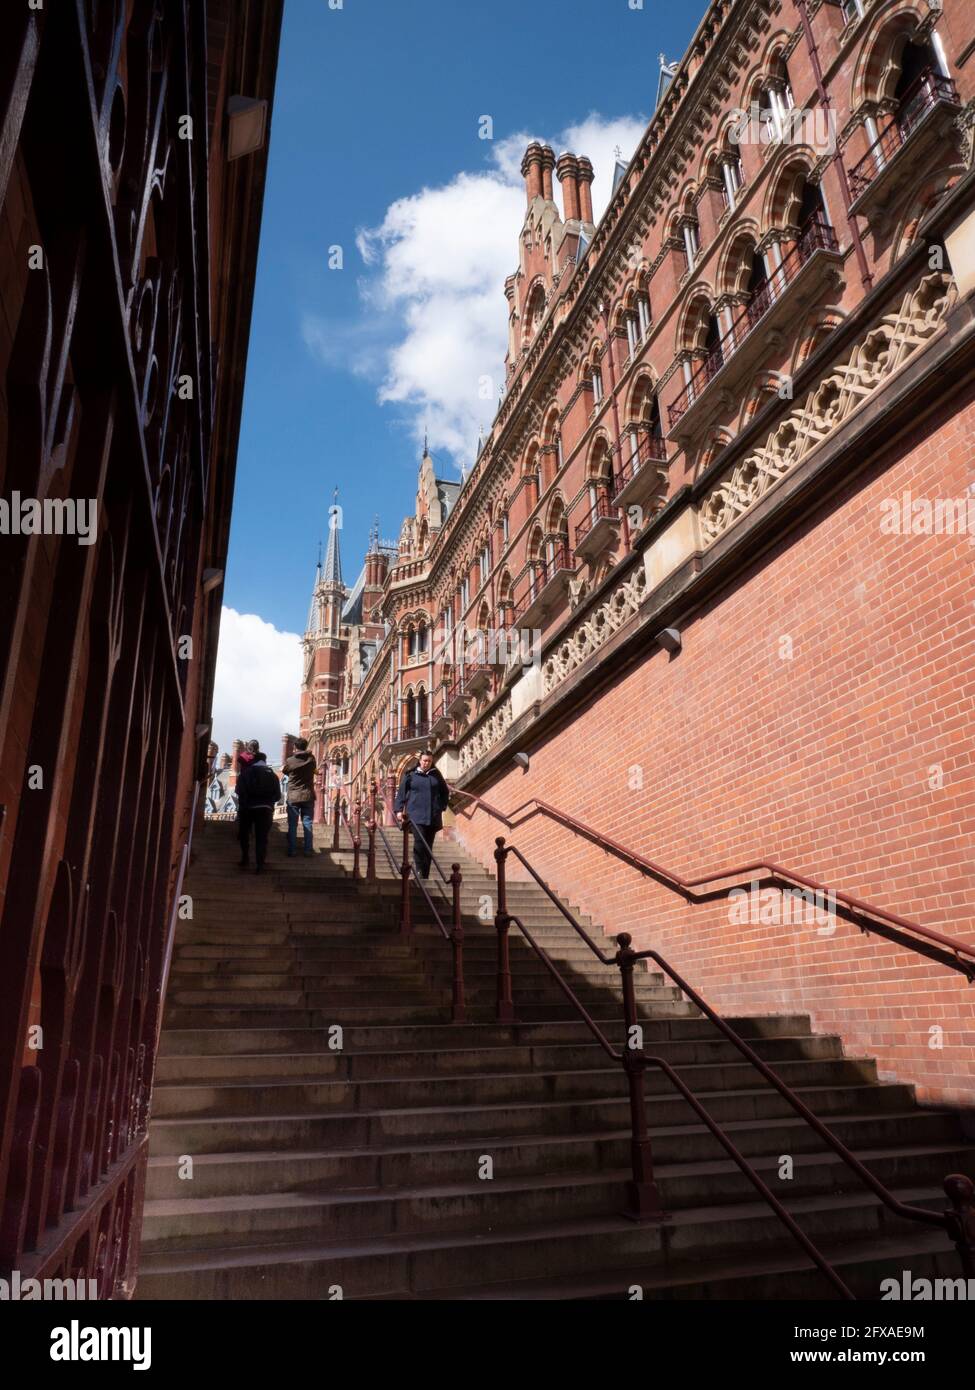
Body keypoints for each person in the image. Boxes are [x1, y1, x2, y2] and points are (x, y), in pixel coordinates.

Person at [394, 750, 450, 879]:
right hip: (415, 815)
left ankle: (425, 874)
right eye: (425, 761)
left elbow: (445, 792)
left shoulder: (436, 775)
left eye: (429, 761)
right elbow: (402, 793)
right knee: (420, 842)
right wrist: (398, 810)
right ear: (420, 760)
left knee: (428, 847)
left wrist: (441, 806)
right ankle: (418, 870)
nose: (427, 763)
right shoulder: (411, 775)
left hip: (433, 816)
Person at [236, 750, 281, 873]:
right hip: (265, 809)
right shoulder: (273, 775)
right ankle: (260, 865)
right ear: (265, 761)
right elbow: (277, 796)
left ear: (254, 761)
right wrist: (268, 801)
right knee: (262, 837)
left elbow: (238, 790)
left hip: (248, 808)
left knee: (245, 834)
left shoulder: (246, 773)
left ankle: (245, 857)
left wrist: (246, 800)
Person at [281, 738, 317, 857]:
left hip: (294, 796)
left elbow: (285, 771)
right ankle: (308, 850)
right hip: (308, 795)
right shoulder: (311, 759)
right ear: (306, 746)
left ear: (295, 747)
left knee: (292, 824)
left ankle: (292, 850)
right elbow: (314, 769)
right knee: (307, 823)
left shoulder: (290, 761)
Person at [235, 739, 260, 864]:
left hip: (244, 784)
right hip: (254, 787)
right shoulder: (259, 758)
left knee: (242, 808)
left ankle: (242, 831)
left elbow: (240, 762)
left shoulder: (243, 757)